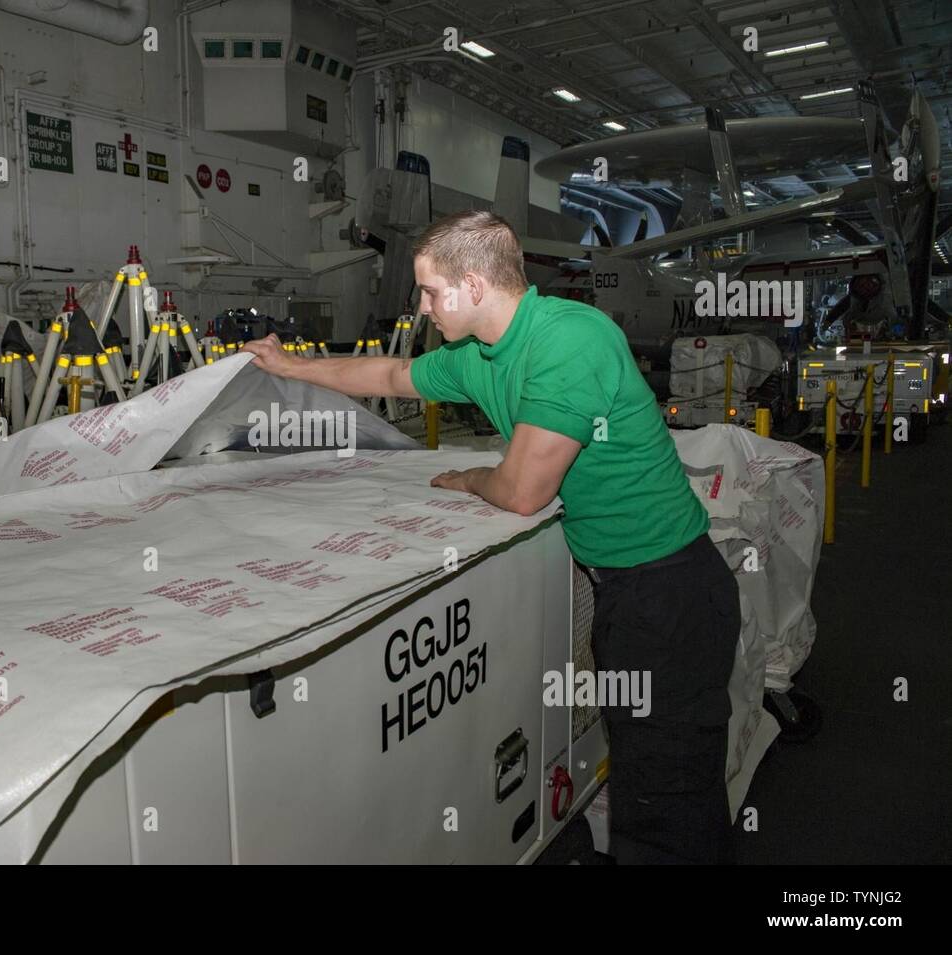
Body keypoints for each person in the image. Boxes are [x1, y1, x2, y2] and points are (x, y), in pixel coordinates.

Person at [243, 209, 741, 864]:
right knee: (651, 777)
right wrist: (290, 367)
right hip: (630, 592)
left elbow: (523, 490)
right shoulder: (477, 356)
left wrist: (474, 475)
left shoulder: (569, 340)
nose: (420, 306)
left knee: (665, 799)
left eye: (429, 291)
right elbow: (390, 376)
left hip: (669, 596)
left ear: (474, 285)